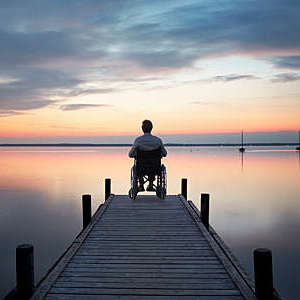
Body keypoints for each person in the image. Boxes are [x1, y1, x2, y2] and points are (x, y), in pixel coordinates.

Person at [129, 120, 167, 191]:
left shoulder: (138, 140)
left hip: (141, 168)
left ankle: (141, 184)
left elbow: (130, 154)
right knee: (153, 164)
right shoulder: (158, 140)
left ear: (142, 129)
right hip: (155, 167)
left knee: (138, 166)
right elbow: (164, 153)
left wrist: (135, 155)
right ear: (151, 128)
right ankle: (151, 184)